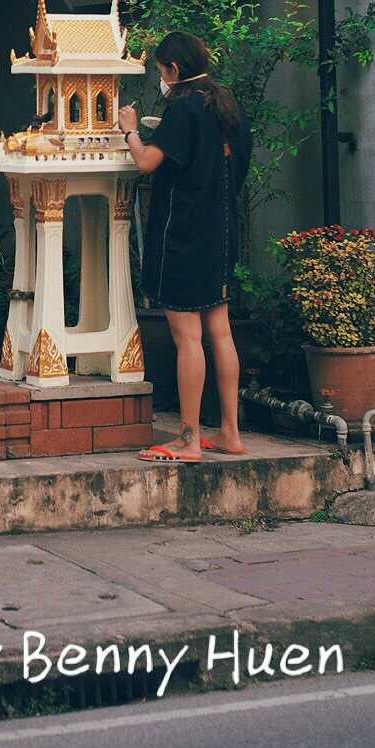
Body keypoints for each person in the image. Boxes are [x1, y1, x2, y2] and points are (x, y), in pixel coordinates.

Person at [118, 31, 254, 463]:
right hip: (222, 232)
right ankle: (230, 433)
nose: (159, 76)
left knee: (187, 337)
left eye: (160, 69)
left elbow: (146, 162)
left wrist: (130, 131)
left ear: (174, 70)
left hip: (184, 236)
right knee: (221, 332)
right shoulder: (227, 106)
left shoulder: (184, 109)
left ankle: (189, 440)